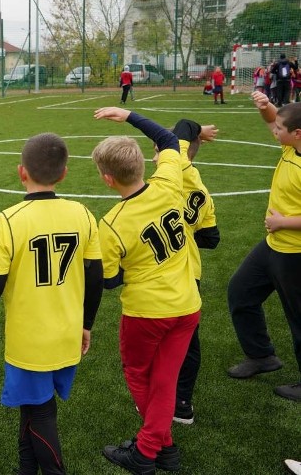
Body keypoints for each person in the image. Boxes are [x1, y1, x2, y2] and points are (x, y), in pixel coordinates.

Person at [0, 133, 104, 475]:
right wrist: (87, 324)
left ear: (21, 172)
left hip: (30, 341)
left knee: (40, 412)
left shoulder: (7, 221)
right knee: (33, 409)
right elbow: (95, 277)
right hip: (66, 332)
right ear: (64, 174)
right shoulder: (83, 214)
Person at [91, 107, 201, 474]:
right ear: (143, 164)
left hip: (147, 313)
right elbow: (170, 140)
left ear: (108, 179)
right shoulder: (169, 183)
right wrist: (129, 115)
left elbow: (109, 280)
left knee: (140, 375)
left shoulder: (112, 223)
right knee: (166, 379)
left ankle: (146, 451)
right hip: (187, 305)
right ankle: (163, 448)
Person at [226, 93, 301, 403]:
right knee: (240, 293)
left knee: (298, 319)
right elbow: (273, 119)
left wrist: (285, 222)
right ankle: (261, 356)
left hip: (294, 253)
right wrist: (266, 106)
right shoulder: (289, 147)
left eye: (280, 128)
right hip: (272, 246)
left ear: (297, 133)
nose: (274, 131)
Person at [165, 121, 221, 425]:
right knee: (187, 340)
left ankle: (174, 402)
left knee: (165, 337)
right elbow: (212, 238)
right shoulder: (202, 190)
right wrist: (186, 232)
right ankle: (181, 402)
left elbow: (184, 125)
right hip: (191, 273)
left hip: (168, 271)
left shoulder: (179, 169)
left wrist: (199, 131)